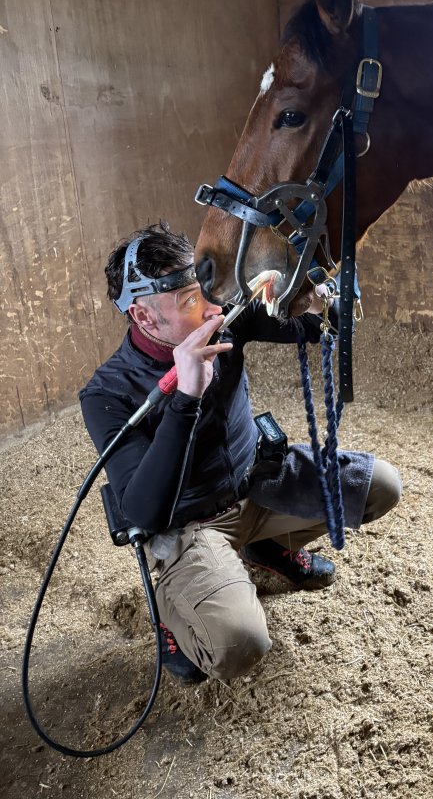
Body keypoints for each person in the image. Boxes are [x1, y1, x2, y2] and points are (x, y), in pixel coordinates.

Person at [80, 223, 401, 684]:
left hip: (258, 481)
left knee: (379, 486)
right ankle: (174, 610)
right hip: (190, 525)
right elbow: (143, 510)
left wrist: (319, 298)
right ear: (144, 317)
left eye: (209, 289)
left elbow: (320, 326)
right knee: (239, 644)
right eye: (190, 300)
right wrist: (185, 398)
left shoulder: (221, 314)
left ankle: (265, 546)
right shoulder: (107, 393)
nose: (214, 306)